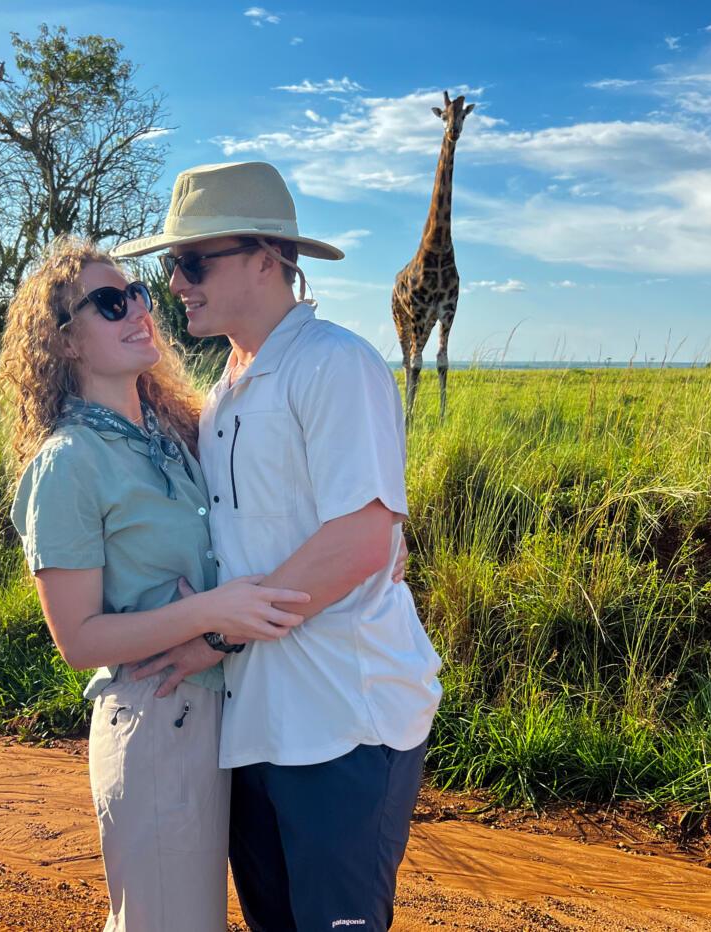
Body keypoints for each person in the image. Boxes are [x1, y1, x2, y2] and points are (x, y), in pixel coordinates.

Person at [112, 160, 443, 931]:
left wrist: (217, 637)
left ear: (268, 258)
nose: (177, 283)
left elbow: (360, 538)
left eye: (193, 262)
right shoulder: (226, 388)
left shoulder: (334, 364)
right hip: (257, 722)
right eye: (172, 265)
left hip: (343, 719)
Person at [0, 236, 314, 932]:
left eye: (137, 294)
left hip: (224, 717)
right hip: (156, 716)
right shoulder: (68, 463)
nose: (140, 309)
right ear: (65, 341)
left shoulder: (174, 431)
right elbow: (78, 639)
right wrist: (213, 612)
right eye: (110, 304)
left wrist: (372, 530)